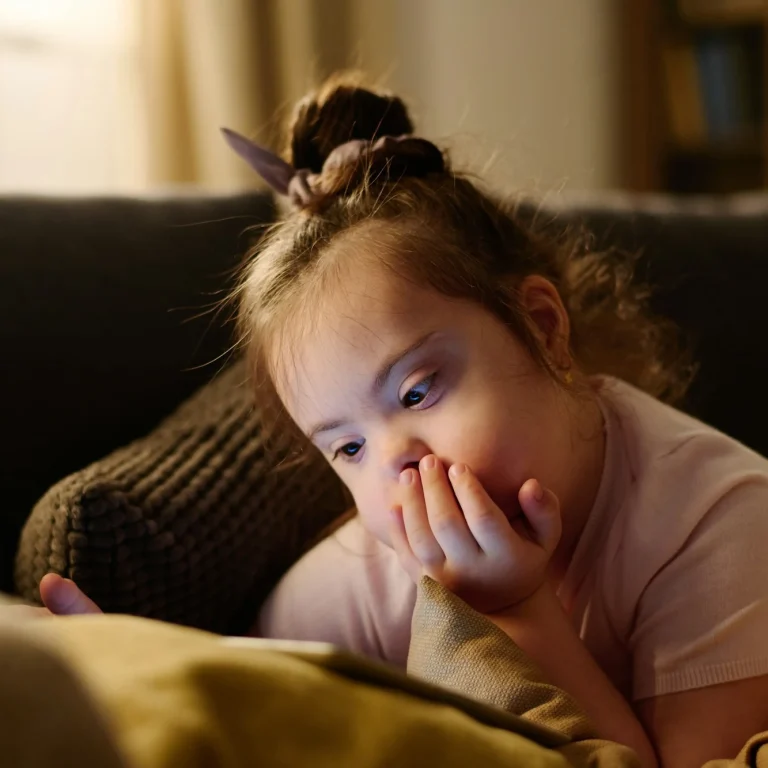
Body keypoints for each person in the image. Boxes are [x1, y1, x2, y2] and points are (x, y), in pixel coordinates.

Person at [38, 75, 768, 767]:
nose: (396, 461)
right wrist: (127, 672)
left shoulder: (717, 521)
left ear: (543, 328)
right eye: (348, 447)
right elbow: (254, 696)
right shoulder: (384, 555)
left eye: (417, 394)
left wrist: (513, 611)